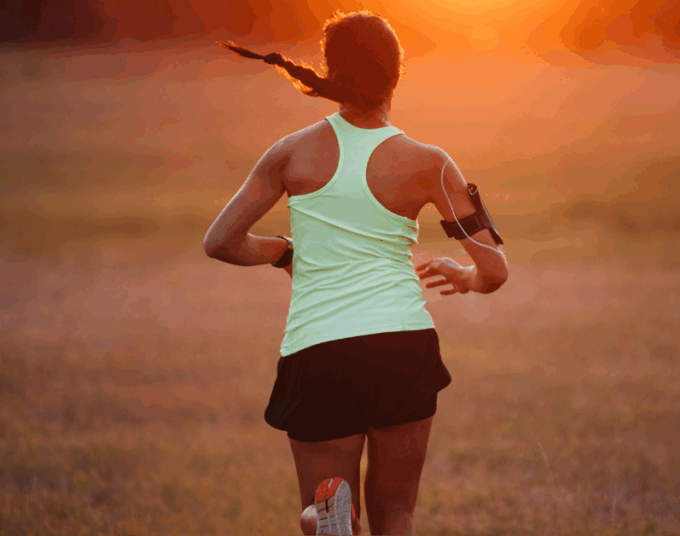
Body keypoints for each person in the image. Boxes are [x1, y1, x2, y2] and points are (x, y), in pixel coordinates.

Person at [203, 10, 509, 535]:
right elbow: (494, 268)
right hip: (401, 344)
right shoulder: (429, 162)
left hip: (317, 348)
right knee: (397, 515)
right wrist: (465, 277)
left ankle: (327, 521)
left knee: (327, 509)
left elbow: (220, 242)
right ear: (397, 74)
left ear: (330, 71)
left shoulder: (289, 153)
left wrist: (285, 252)